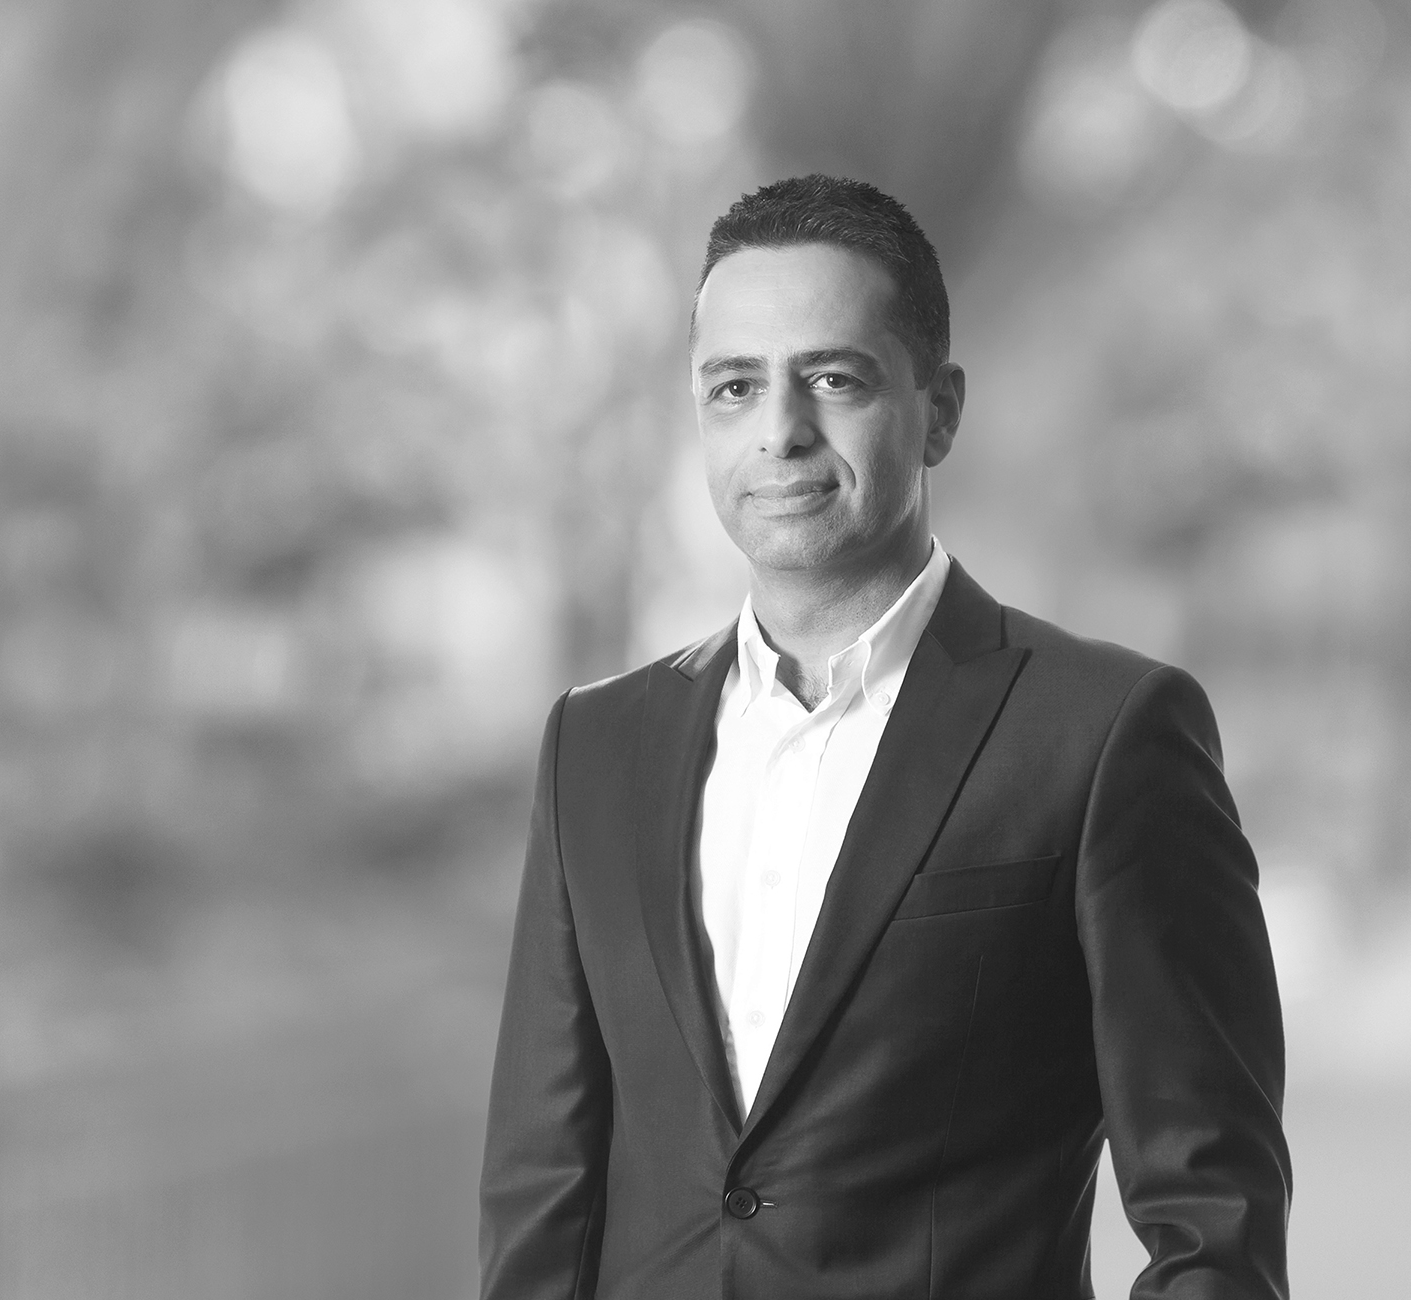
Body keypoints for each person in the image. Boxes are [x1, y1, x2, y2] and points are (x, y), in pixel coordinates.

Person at [479, 174, 1290, 1299]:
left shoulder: (1102, 734)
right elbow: (541, 1193)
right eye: (734, 387)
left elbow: (1214, 1222)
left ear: (938, 410)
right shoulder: (594, 747)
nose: (779, 432)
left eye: (832, 378)